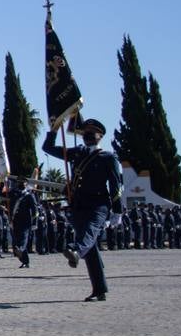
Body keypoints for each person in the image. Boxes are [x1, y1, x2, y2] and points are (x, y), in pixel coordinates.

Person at [42, 117, 122, 301]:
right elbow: (48, 149)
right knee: (91, 248)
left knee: (89, 234)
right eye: (85, 134)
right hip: (78, 205)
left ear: (100, 136)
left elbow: (115, 186)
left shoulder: (108, 158)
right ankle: (99, 289)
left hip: (98, 205)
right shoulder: (78, 153)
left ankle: (75, 250)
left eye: (91, 134)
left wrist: (117, 211)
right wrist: (53, 131)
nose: (87, 137)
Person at [10, 179, 38, 268]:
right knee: (17, 240)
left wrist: (34, 223)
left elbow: (35, 210)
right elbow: (11, 207)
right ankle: (25, 261)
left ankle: (20, 250)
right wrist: (10, 219)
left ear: (26, 184)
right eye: (19, 182)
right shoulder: (15, 194)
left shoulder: (29, 195)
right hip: (16, 221)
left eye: (23, 182)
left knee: (24, 239)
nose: (21, 184)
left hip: (26, 221)